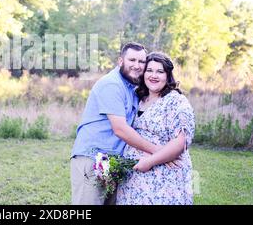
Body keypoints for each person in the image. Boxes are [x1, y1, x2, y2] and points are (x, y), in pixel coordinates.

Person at [70, 42, 165, 205]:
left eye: (141, 62)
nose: (137, 66)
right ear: (120, 61)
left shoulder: (132, 88)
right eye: (132, 60)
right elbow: (120, 129)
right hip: (93, 157)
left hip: (112, 161)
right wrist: (159, 153)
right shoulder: (112, 84)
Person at [116, 52, 196, 205]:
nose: (154, 75)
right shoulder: (138, 98)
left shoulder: (176, 101)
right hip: (133, 179)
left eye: (160, 72)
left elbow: (180, 143)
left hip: (164, 177)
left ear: (168, 75)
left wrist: (150, 161)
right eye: (149, 70)